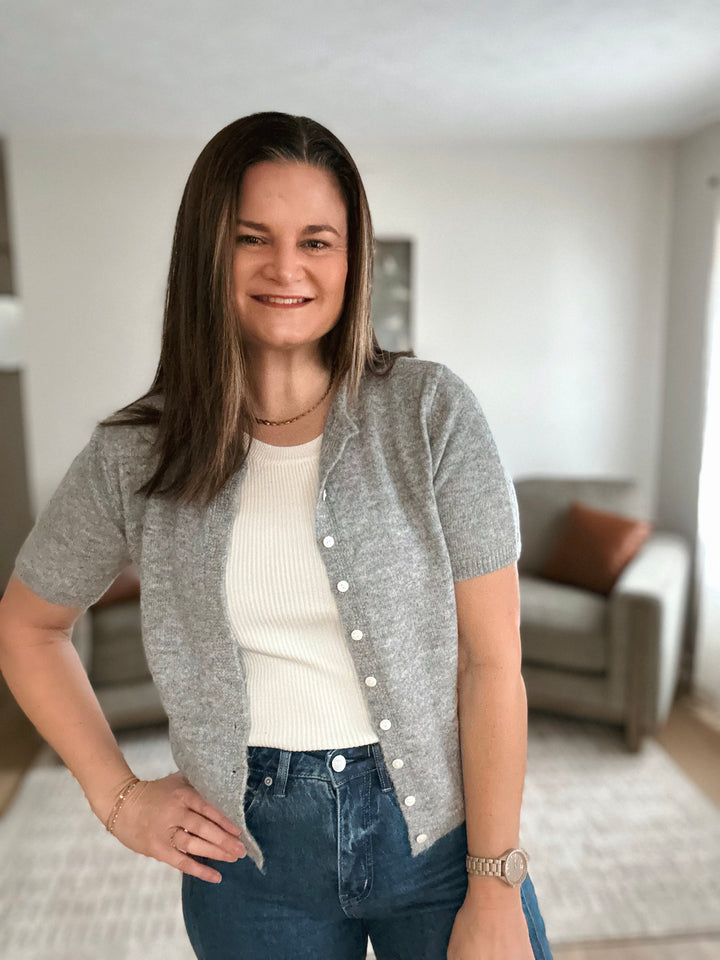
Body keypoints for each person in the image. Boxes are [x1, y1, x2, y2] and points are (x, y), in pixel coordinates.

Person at [0, 111, 553, 960]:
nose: (286, 267)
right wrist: (118, 798)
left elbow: (492, 663)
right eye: (251, 237)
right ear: (206, 254)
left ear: (351, 257)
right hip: (251, 861)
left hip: (443, 841)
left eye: (317, 241)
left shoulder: (431, 413)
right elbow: (27, 627)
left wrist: (495, 881)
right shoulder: (134, 453)